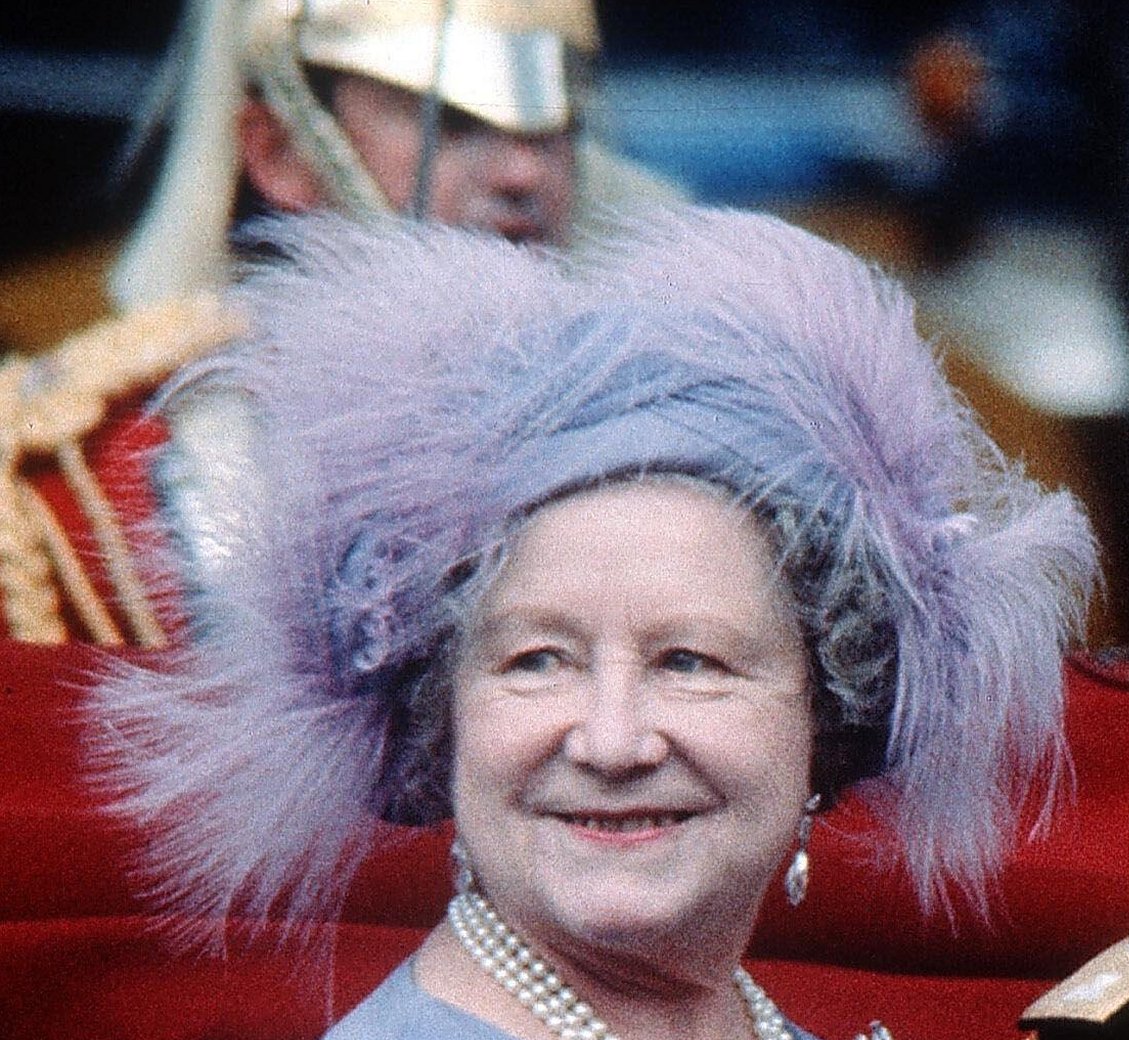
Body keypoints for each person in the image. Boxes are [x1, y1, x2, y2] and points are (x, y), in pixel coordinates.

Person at [96, 206, 1098, 1040]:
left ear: (823, 723)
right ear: (438, 717)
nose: (614, 739)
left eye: (691, 663)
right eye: (536, 663)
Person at [2, 0, 672, 646]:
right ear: (281, 153)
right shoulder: (69, 492)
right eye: (455, 120)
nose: (524, 171)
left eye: (554, 126)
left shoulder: (669, 434)